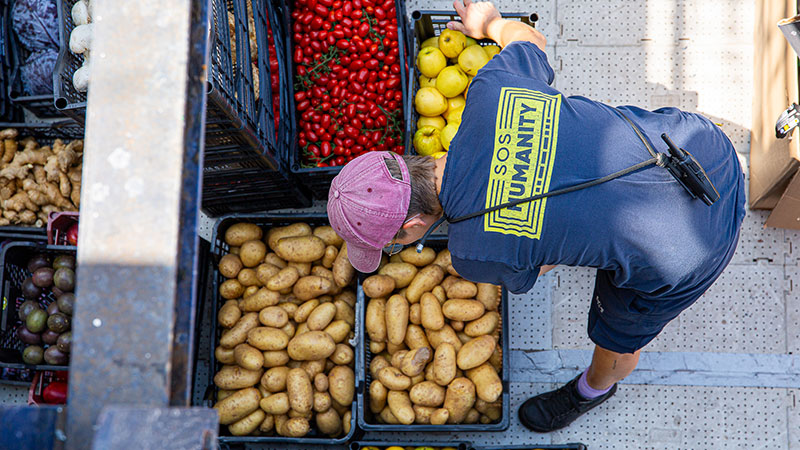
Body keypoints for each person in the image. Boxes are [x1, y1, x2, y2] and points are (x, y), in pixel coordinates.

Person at [327, 0, 746, 433]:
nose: (397, 246)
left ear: (412, 227)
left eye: (391, 242)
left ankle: (593, 389)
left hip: (693, 251)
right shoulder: (491, 90)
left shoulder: (472, 253)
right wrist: (488, 22)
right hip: (704, 148)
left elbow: (542, 264)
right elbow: (532, 39)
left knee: (616, 336)